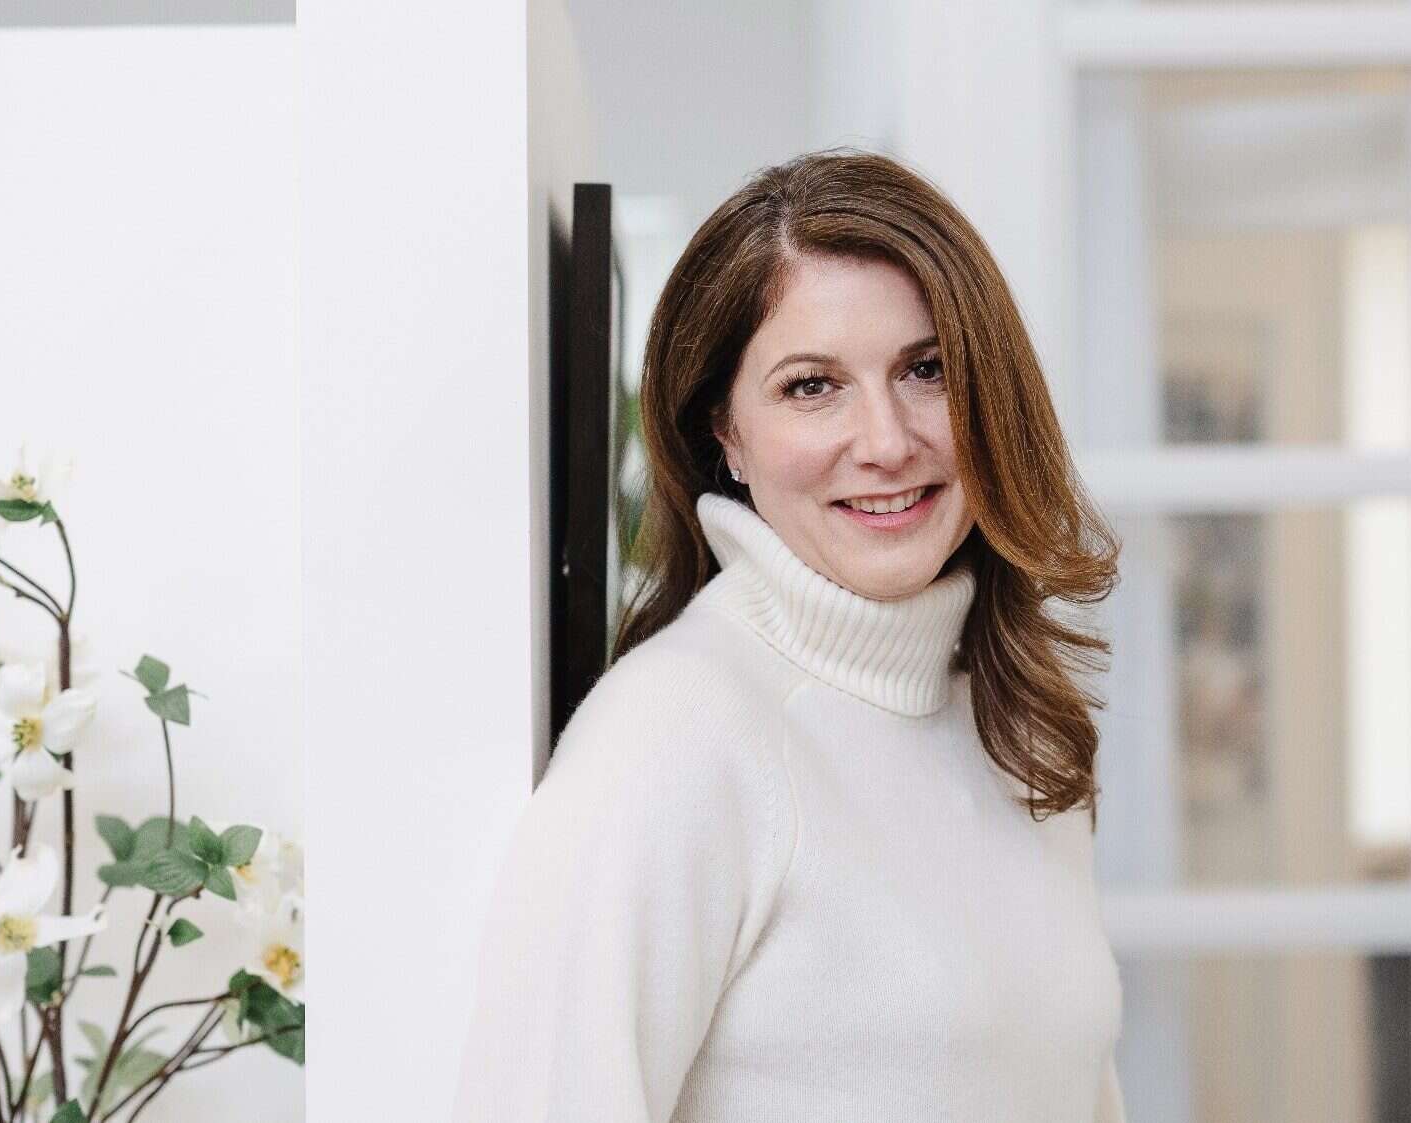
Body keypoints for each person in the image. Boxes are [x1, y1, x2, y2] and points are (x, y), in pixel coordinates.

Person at [451, 148, 1127, 1122]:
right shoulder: (676, 737)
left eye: (926, 370)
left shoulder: (1017, 722)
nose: (888, 441)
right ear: (720, 429)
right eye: (812, 386)